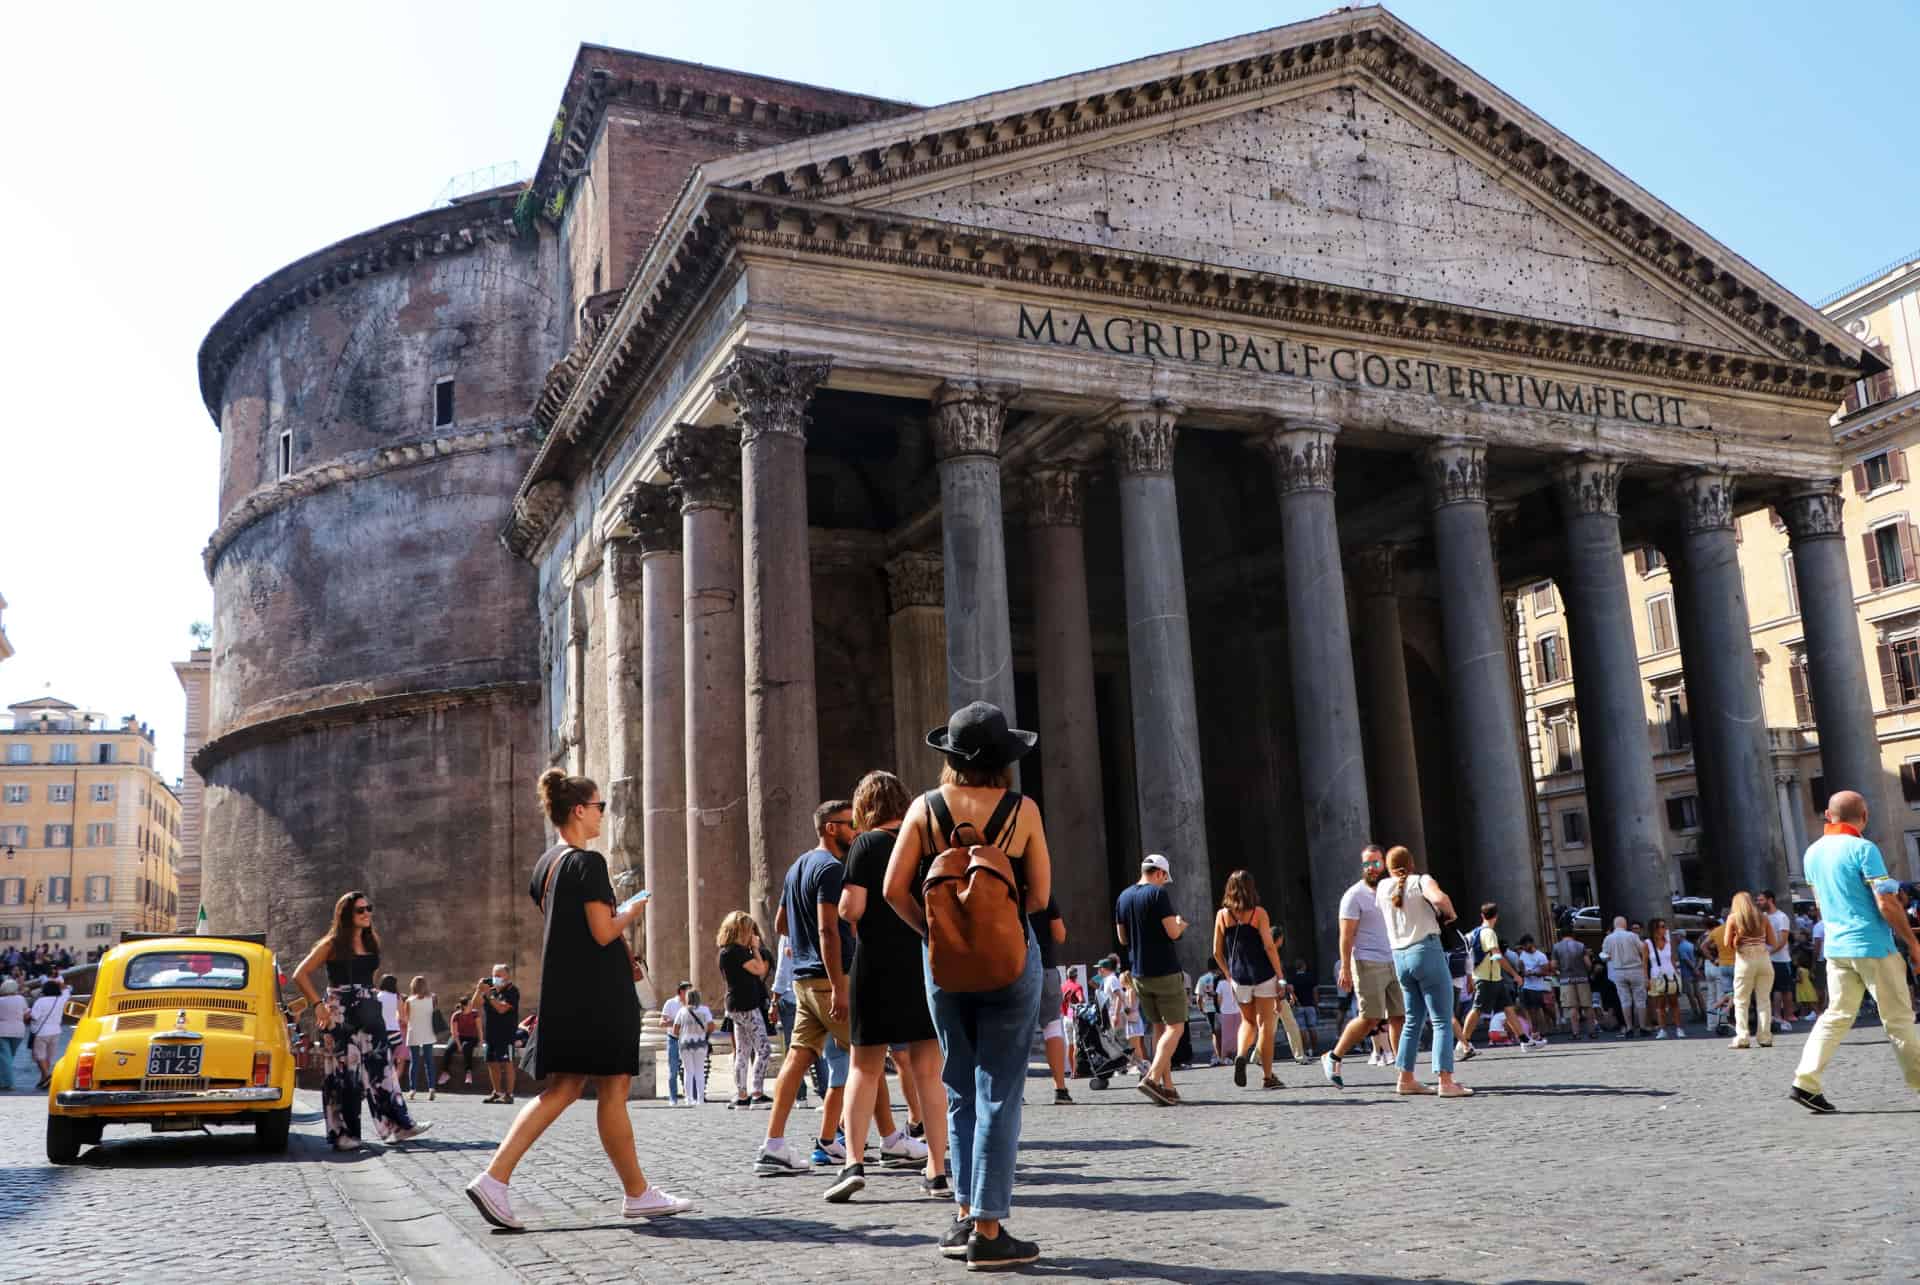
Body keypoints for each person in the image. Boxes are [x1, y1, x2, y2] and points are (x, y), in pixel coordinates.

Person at [464, 769, 690, 1229]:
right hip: (598, 995)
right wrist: (631, 909)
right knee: (600, 1088)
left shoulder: (545, 864)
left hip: (566, 991)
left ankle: (634, 1192)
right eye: (599, 806)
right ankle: (496, 1178)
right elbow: (602, 931)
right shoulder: (588, 864)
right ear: (579, 810)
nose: (603, 815)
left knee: (581, 1088)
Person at [883, 700, 1051, 1270]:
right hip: (1009, 961)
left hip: (944, 964)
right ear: (1004, 760)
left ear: (950, 757)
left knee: (958, 1086)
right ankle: (989, 1226)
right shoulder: (1021, 809)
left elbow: (891, 889)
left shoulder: (924, 809)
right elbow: (1044, 896)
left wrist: (932, 933)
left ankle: (962, 1213)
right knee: (1000, 1089)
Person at [832, 769, 944, 1203]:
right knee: (928, 1071)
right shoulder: (923, 841)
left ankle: (853, 1163)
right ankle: (937, 1169)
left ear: (865, 806)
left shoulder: (866, 843)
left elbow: (851, 906)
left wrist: (847, 907)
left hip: (876, 963)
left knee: (865, 1066)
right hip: (923, 961)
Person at [1791, 791, 1920, 1112]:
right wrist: (1913, 942)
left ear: (1827, 814)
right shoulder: (1864, 848)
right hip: (1873, 945)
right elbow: (1885, 902)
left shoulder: (1812, 853)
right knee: (1899, 1018)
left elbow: (1820, 903)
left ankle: (1805, 1081)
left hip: (1837, 947)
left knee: (1836, 1015)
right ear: (1864, 816)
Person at [755, 799, 861, 1175]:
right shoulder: (832, 869)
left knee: (798, 1057)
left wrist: (802, 947)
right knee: (869, 1055)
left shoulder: (798, 866)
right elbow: (828, 929)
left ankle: (775, 1144)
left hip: (802, 980)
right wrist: (839, 985)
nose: (856, 829)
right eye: (850, 823)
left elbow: (782, 922)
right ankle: (892, 1140)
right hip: (831, 978)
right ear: (831, 828)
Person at [292, 891, 430, 1150]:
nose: (367, 914)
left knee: (382, 1065)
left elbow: (367, 978)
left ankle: (397, 1126)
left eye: (369, 908)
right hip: (339, 1012)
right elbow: (300, 974)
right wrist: (318, 1006)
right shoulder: (331, 944)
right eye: (361, 910)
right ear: (346, 914)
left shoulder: (371, 941)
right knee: (343, 1072)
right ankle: (344, 1134)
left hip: (369, 1008)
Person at [1374, 847, 1470, 1097]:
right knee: (1441, 1019)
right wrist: (1451, 914)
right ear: (1412, 864)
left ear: (1387, 865)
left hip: (1400, 957)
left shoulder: (1383, 888)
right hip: (1425, 951)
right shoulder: (1421, 880)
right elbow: (1439, 899)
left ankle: (1405, 1078)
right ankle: (1446, 1081)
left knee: (1411, 1020)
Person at [1320, 846, 1406, 1088]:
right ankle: (1334, 1056)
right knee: (1370, 1018)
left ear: (1384, 864)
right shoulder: (1353, 895)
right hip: (1367, 961)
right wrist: (1345, 968)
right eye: (1367, 864)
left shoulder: (1391, 890)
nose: (1371, 868)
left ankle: (1403, 1071)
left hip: (1393, 960)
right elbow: (1346, 935)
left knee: (1399, 1016)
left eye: (1376, 863)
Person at [1114, 852, 1189, 1106]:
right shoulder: (1158, 894)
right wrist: (1180, 926)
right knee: (1176, 1027)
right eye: (1164, 878)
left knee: (1158, 1027)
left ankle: (1168, 1088)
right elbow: (1171, 931)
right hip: (1165, 970)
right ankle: (1153, 1078)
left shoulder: (1123, 897)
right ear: (1159, 873)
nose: (1164, 882)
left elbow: (1123, 939)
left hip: (1139, 973)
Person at [1212, 869, 1286, 1090]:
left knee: (1248, 1022)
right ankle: (1267, 1076)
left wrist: (1228, 974)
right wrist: (1280, 976)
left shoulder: (1222, 915)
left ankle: (1242, 1054)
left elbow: (1216, 952)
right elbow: (1269, 946)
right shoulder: (1258, 913)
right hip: (1263, 973)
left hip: (1239, 977)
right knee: (1265, 1025)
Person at [1460, 903, 1541, 1050]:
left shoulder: (1475, 932)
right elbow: (1497, 956)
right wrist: (1515, 974)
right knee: (1477, 1009)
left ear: (1482, 915)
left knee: (1508, 1009)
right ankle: (1463, 1042)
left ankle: (1525, 1041)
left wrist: (1470, 978)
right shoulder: (1489, 933)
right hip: (1487, 978)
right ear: (1496, 916)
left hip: (1492, 978)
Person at [716, 913, 774, 1109]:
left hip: (734, 1005)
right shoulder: (738, 952)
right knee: (764, 1049)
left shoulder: (725, 951)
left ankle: (741, 1095)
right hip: (746, 1004)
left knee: (742, 1051)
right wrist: (756, 949)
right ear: (741, 930)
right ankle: (757, 1093)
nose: (752, 934)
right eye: (749, 929)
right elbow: (760, 970)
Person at [1030, 894, 1073, 1105]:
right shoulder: (1044, 894)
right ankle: (1060, 1088)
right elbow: (1060, 935)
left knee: (1014, 1034)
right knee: (1053, 1028)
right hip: (1045, 967)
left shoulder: (1001, 887)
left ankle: (1014, 1094)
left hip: (1013, 972)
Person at [1725, 892, 1776, 1049]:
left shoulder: (1733, 918)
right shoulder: (1763, 917)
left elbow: (1727, 943)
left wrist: (1738, 938)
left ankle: (1743, 1037)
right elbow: (1773, 941)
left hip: (1745, 959)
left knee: (1741, 1001)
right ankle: (1765, 1037)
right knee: (1764, 1000)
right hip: (1763, 959)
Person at [473, 964, 522, 1105]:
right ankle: (497, 1092)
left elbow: (502, 1009)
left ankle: (509, 1094)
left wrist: (489, 995)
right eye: (494, 975)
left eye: (499, 975)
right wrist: (479, 990)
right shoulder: (490, 989)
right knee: (492, 1063)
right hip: (491, 1034)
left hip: (506, 1034)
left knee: (507, 1063)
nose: (496, 978)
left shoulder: (512, 991)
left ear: (508, 976)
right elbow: (475, 1005)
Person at [1600, 916, 1650, 1037]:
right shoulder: (1632, 936)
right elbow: (1643, 949)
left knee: (1624, 1001)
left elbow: (1604, 955)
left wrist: (1610, 958)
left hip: (1618, 971)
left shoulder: (1608, 938)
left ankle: (1629, 1028)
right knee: (1640, 1000)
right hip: (1635, 969)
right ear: (1625, 924)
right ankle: (1642, 1027)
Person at [1757, 890, 1796, 1030]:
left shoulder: (1781, 917)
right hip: (1766, 959)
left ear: (1770, 900)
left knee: (1783, 989)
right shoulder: (1763, 917)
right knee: (1772, 990)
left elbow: (1783, 941)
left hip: (1781, 959)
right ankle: (1775, 1017)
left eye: (1761, 900)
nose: (1758, 902)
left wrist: (1769, 952)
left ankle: (1785, 1017)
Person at [671, 990, 716, 1105]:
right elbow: (711, 1026)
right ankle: (700, 1099)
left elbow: (675, 1030)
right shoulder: (705, 1010)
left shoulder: (682, 1011)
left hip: (685, 1043)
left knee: (688, 1071)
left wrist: (683, 1033)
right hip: (700, 1042)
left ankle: (689, 1098)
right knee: (699, 1071)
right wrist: (703, 1033)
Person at [1552, 927, 1594, 1039]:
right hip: (1582, 979)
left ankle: (1576, 1033)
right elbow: (1588, 964)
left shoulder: (1556, 947)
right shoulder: (1581, 945)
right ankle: (1592, 1031)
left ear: (1561, 935)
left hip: (1566, 980)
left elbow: (1554, 965)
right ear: (1573, 934)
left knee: (1572, 1007)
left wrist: (1559, 973)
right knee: (1587, 1006)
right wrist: (1586, 972)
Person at [1644, 920, 1684, 1039]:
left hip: (1671, 975)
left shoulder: (1668, 942)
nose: (1665, 929)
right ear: (1655, 929)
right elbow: (1645, 963)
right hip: (1656, 976)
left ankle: (1679, 1028)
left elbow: (1672, 959)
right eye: (1662, 926)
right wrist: (1646, 979)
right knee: (1660, 1005)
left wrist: (1677, 973)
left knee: (1674, 1003)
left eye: (1664, 926)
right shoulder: (1647, 943)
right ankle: (1662, 1029)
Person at [28, 976, 68, 1090]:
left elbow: (34, 1017)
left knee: (40, 1056)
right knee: (49, 1057)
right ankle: (43, 1080)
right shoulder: (62, 999)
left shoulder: (40, 1001)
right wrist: (59, 982)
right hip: (56, 1031)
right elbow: (67, 989)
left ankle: (47, 1076)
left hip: (41, 1032)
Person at [405, 976, 438, 1100]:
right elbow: (434, 1011)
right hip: (428, 1031)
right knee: (429, 1061)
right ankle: (431, 1088)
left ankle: (412, 1089)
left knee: (414, 1062)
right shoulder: (433, 998)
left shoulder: (409, 1001)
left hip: (414, 1032)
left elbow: (406, 1018)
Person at [1516, 935, 1554, 1040]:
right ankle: (1535, 1031)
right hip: (1526, 986)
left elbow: (1546, 971)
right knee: (1528, 1010)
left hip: (1537, 987)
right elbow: (1521, 968)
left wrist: (1533, 973)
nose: (1523, 947)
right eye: (1522, 946)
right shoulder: (1523, 954)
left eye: (1525, 945)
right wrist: (1523, 972)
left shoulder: (1541, 956)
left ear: (1531, 944)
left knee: (1536, 1010)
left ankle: (1536, 1032)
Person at [660, 981, 691, 1106]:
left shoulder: (692, 1004)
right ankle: (673, 1097)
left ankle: (689, 1095)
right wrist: (676, 1023)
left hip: (688, 1040)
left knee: (690, 1070)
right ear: (681, 991)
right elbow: (661, 1022)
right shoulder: (670, 1003)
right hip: (673, 1040)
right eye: (688, 991)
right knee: (673, 1071)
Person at [442, 998, 481, 1089]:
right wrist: (458, 1045)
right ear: (464, 1006)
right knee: (448, 1049)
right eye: (469, 1004)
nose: (471, 1006)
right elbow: (454, 1032)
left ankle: (468, 1072)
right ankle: (445, 1073)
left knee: (466, 1047)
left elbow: (479, 1029)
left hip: (471, 1037)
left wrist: (481, 1040)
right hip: (458, 1036)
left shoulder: (475, 1014)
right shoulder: (456, 1015)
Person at [1194, 966, 1222, 1065]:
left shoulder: (1202, 979)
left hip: (1209, 1009)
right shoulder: (1222, 977)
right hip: (1222, 1008)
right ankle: (1223, 1055)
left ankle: (1218, 1056)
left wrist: (1201, 1008)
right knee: (1222, 1032)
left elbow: (1198, 998)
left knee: (1214, 1033)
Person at [0, 979, 25, 1092]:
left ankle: (9, 1083)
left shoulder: (1, 1001)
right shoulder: (21, 999)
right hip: (18, 1031)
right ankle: (3, 1081)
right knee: (8, 1058)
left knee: (5, 1058)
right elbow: (26, 1012)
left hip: (2, 1030)